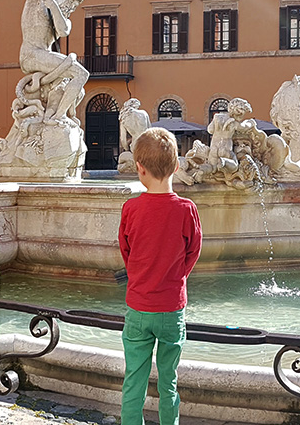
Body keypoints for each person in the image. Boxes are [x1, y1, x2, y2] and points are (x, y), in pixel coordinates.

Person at [118, 128, 203, 425]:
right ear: (177, 167)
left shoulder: (130, 208)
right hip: (171, 308)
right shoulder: (186, 209)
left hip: (138, 306)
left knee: (134, 380)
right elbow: (194, 250)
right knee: (169, 382)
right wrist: (176, 278)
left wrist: (142, 277)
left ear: (139, 169)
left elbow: (126, 251)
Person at [16, 0, 87, 125]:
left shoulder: (61, 18)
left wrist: (55, 7)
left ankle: (60, 113)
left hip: (43, 56)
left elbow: (63, 30)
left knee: (80, 87)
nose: (71, 7)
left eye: (75, 5)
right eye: (71, 1)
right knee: (81, 74)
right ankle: (58, 117)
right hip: (31, 54)